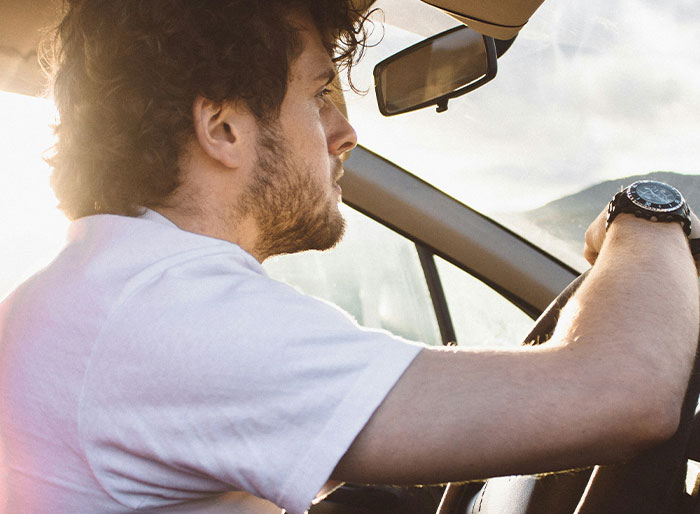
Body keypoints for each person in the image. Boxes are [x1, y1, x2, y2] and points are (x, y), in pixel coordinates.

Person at [0, 1, 698, 513]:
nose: (346, 133)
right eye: (318, 95)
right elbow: (624, 391)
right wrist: (648, 214)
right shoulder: (162, 310)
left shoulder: (113, 289)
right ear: (222, 127)